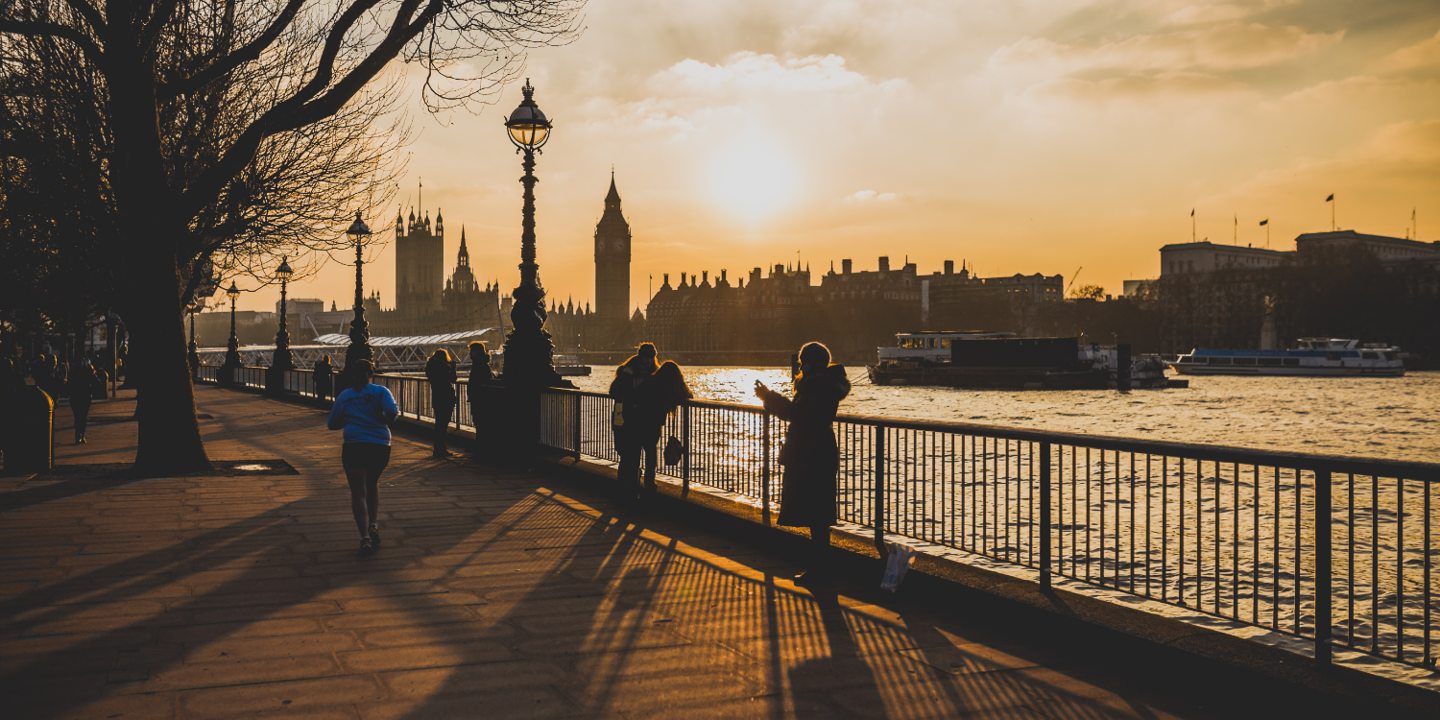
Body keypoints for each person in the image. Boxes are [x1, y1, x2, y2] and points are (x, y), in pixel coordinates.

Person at [754, 342, 851, 584]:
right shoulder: (827, 384)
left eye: (802, 361)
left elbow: (798, 414)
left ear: (808, 363)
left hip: (810, 450)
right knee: (819, 511)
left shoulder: (816, 385)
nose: (799, 366)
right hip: (820, 449)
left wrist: (769, 398)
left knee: (815, 514)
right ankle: (820, 569)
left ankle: (819, 571)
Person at [326, 359, 398, 555]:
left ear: (353, 375)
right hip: (380, 445)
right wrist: (383, 419)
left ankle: (364, 538)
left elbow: (332, 423)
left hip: (355, 444)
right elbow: (392, 411)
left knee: (357, 490)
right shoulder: (381, 391)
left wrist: (350, 420)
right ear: (371, 374)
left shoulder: (345, 395)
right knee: (372, 483)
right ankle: (373, 524)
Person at [609, 343, 692, 498]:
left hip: (648, 421)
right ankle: (632, 483)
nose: (648, 360)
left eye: (651, 356)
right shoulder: (629, 372)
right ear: (640, 356)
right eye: (645, 356)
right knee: (632, 454)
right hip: (632, 420)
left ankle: (645, 482)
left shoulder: (656, 376)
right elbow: (614, 392)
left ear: (654, 356)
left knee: (648, 454)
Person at [425, 349, 457, 458]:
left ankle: (438, 449)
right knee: (443, 424)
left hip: (437, 397)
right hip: (446, 396)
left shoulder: (430, 367)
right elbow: (453, 379)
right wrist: (452, 368)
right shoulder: (444, 366)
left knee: (439, 423)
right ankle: (441, 449)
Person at [466, 341, 494, 450]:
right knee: (480, 421)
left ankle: (480, 445)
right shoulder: (481, 364)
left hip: (479, 398)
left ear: (477, 352)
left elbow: (478, 382)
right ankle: (480, 444)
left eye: (471, 351)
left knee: (480, 421)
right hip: (479, 397)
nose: (470, 354)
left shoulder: (479, 365)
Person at [67, 358, 97, 444]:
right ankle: (80, 436)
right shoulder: (86, 372)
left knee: (80, 417)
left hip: (79, 397)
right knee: (81, 417)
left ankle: (79, 436)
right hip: (82, 397)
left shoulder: (74, 373)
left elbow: (97, 382)